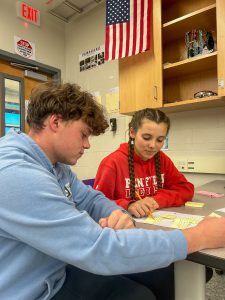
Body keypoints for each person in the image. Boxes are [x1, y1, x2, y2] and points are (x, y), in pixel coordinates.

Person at [0, 82, 225, 300]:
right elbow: (100, 249)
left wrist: (119, 215)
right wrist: (200, 236)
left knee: (164, 275)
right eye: (83, 134)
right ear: (56, 122)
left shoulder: (56, 166)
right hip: (33, 290)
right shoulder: (17, 174)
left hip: (57, 266)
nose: (88, 145)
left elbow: (91, 199)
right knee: (140, 296)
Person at [94, 108, 194, 218]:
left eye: (160, 140)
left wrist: (156, 200)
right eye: (146, 138)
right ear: (132, 133)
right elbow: (96, 204)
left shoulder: (161, 158)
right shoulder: (112, 163)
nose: (153, 145)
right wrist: (128, 205)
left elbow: (186, 189)